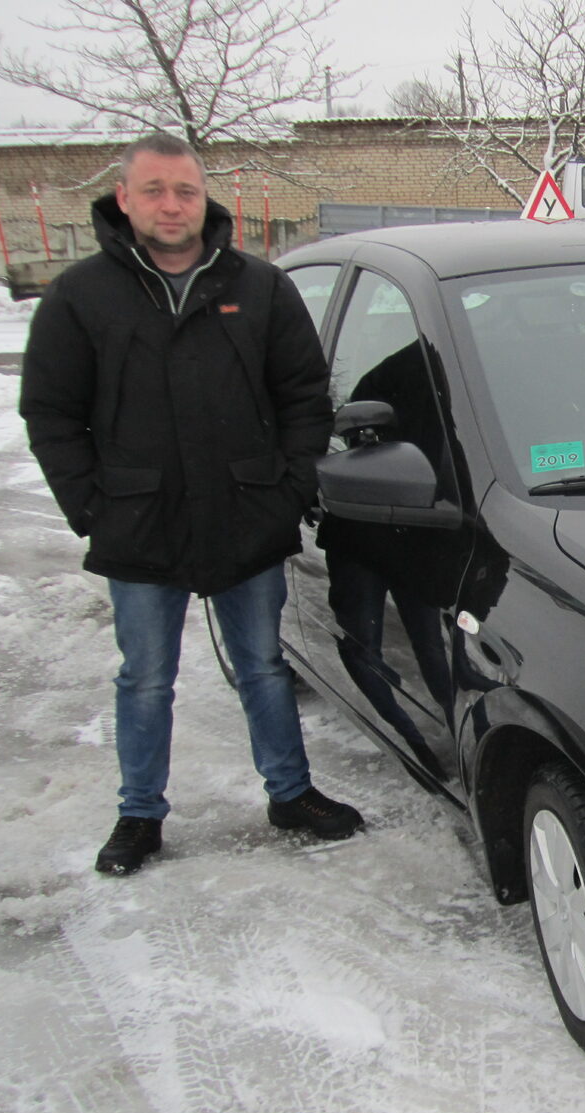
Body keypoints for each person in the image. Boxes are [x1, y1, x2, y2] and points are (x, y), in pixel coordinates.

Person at [21, 131, 362, 876]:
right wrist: (94, 508)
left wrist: (285, 494)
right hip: (138, 523)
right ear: (124, 199)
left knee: (265, 666)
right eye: (153, 191)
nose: (171, 205)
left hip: (247, 516)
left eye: (184, 190)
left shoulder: (261, 287)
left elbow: (305, 398)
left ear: (204, 197)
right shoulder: (81, 298)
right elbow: (51, 414)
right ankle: (139, 814)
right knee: (145, 676)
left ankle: (291, 793)